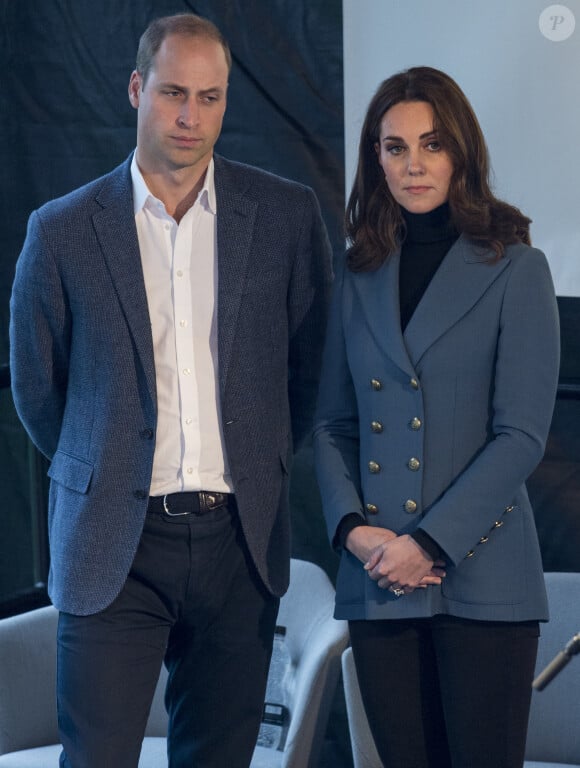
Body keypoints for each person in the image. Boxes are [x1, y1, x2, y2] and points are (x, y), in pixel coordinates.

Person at [9, 13, 332, 768]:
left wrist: (259, 459)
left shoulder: (284, 217)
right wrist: (106, 463)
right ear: (136, 89)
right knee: (97, 759)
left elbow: (308, 370)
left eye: (211, 97)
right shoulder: (60, 231)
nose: (191, 118)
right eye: (174, 94)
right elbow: (37, 390)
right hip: (111, 548)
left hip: (237, 543)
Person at [313, 66, 560, 768]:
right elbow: (333, 423)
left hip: (483, 580)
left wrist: (428, 544)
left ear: (462, 153)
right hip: (379, 579)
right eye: (395, 147)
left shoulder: (517, 267)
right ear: (376, 159)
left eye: (431, 144)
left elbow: (521, 436)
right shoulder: (358, 272)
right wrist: (355, 533)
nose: (413, 163)